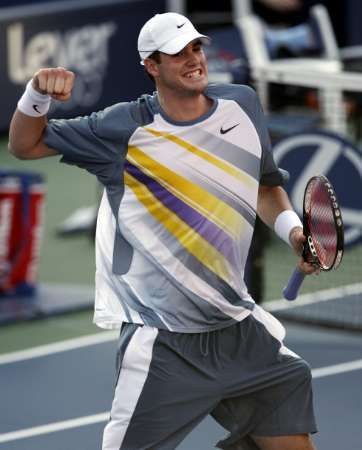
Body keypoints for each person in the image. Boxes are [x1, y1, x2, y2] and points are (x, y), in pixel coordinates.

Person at [8, 12, 319, 450]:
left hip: (238, 329)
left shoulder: (241, 105)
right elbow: (23, 145)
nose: (194, 60)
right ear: (151, 66)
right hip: (164, 345)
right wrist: (37, 95)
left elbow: (266, 185)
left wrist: (291, 232)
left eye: (196, 48)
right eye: (177, 54)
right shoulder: (122, 129)